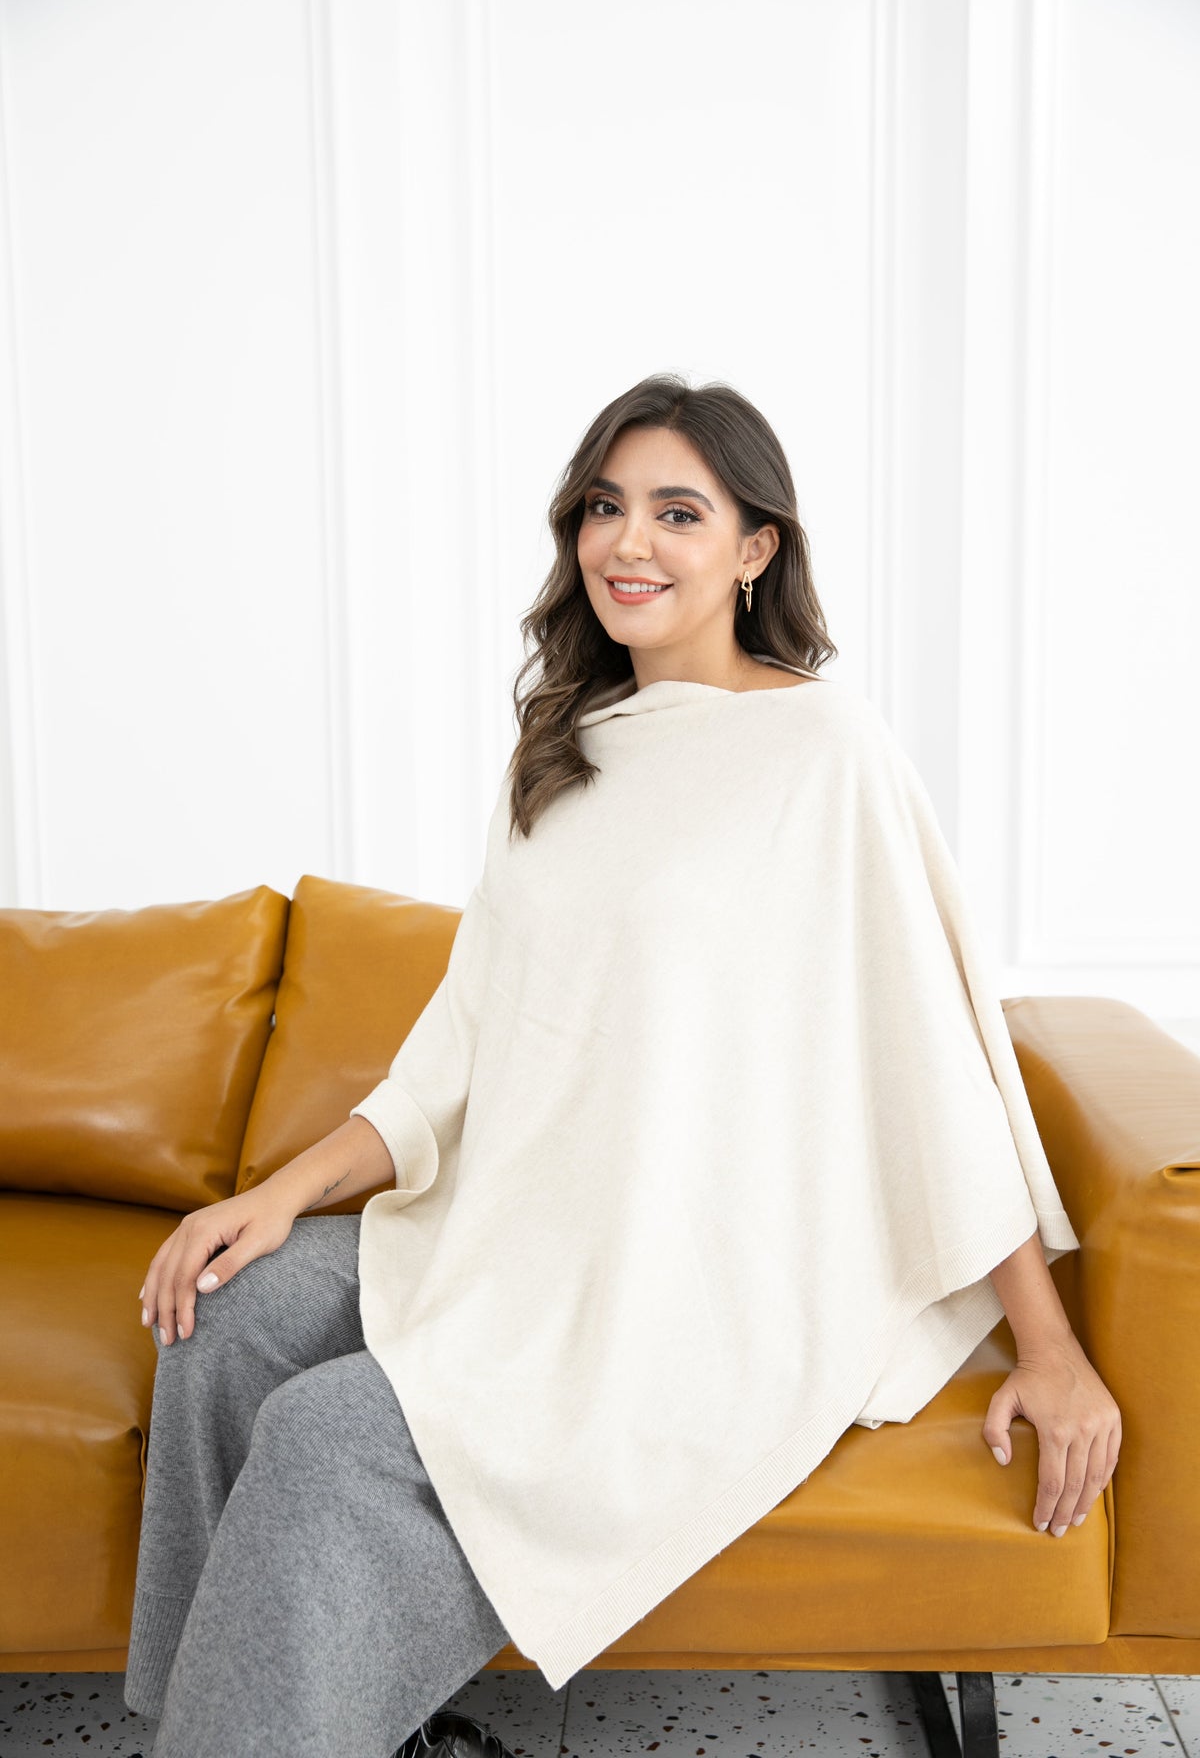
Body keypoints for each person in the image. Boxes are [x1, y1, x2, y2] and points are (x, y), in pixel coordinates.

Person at [124, 372, 1122, 1758]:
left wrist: (1053, 1349)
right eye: (604, 507)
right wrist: (278, 1194)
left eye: (677, 512)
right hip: (510, 1227)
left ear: (756, 548)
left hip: (693, 1278)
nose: (628, 543)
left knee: (328, 1439)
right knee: (221, 1317)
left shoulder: (824, 751)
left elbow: (931, 1062)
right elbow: (463, 1048)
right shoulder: (563, 752)